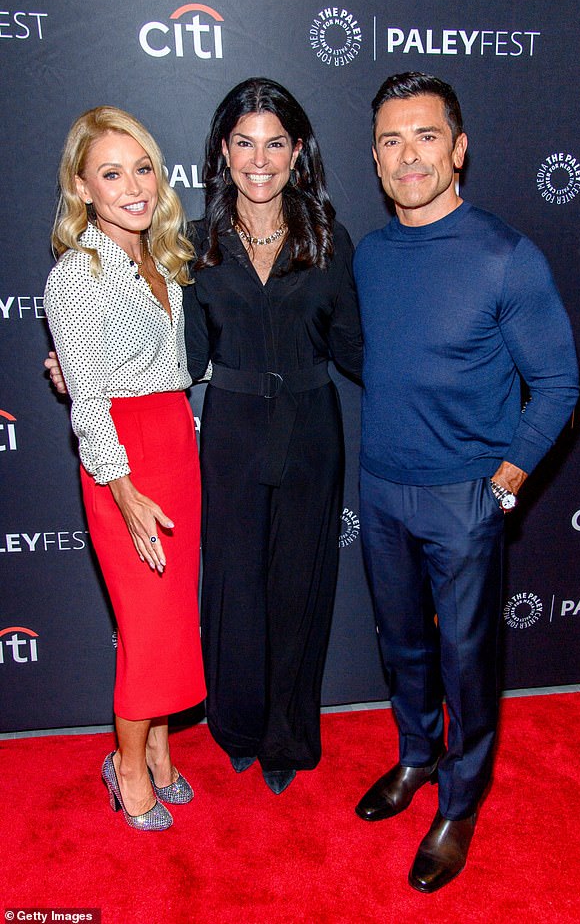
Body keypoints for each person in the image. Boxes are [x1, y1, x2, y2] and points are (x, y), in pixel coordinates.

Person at [353, 73, 579, 892]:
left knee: (466, 658)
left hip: (465, 498)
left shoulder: (505, 256)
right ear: (376, 161)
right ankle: (416, 758)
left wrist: (504, 482)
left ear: (458, 148)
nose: (407, 155)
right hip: (379, 489)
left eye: (423, 136)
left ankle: (461, 798)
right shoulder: (371, 256)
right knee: (402, 643)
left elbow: (556, 383)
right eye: (389, 140)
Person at [183, 78, 363, 793]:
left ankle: (288, 738)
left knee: (300, 586)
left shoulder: (331, 238)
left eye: (276, 143)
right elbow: (182, 357)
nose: (261, 160)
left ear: (298, 152)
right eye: (245, 143)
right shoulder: (196, 243)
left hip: (312, 431)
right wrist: (87, 368)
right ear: (224, 152)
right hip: (229, 433)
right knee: (233, 586)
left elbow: (354, 347)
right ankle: (237, 725)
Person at [44, 106, 206, 831]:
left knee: (171, 613)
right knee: (144, 621)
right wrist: (122, 487)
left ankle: (164, 751)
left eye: (142, 167)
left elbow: (158, 364)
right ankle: (127, 763)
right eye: (111, 172)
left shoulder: (162, 256)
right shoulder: (76, 275)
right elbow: (89, 400)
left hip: (173, 437)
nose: (133, 185)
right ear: (82, 186)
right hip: (124, 457)